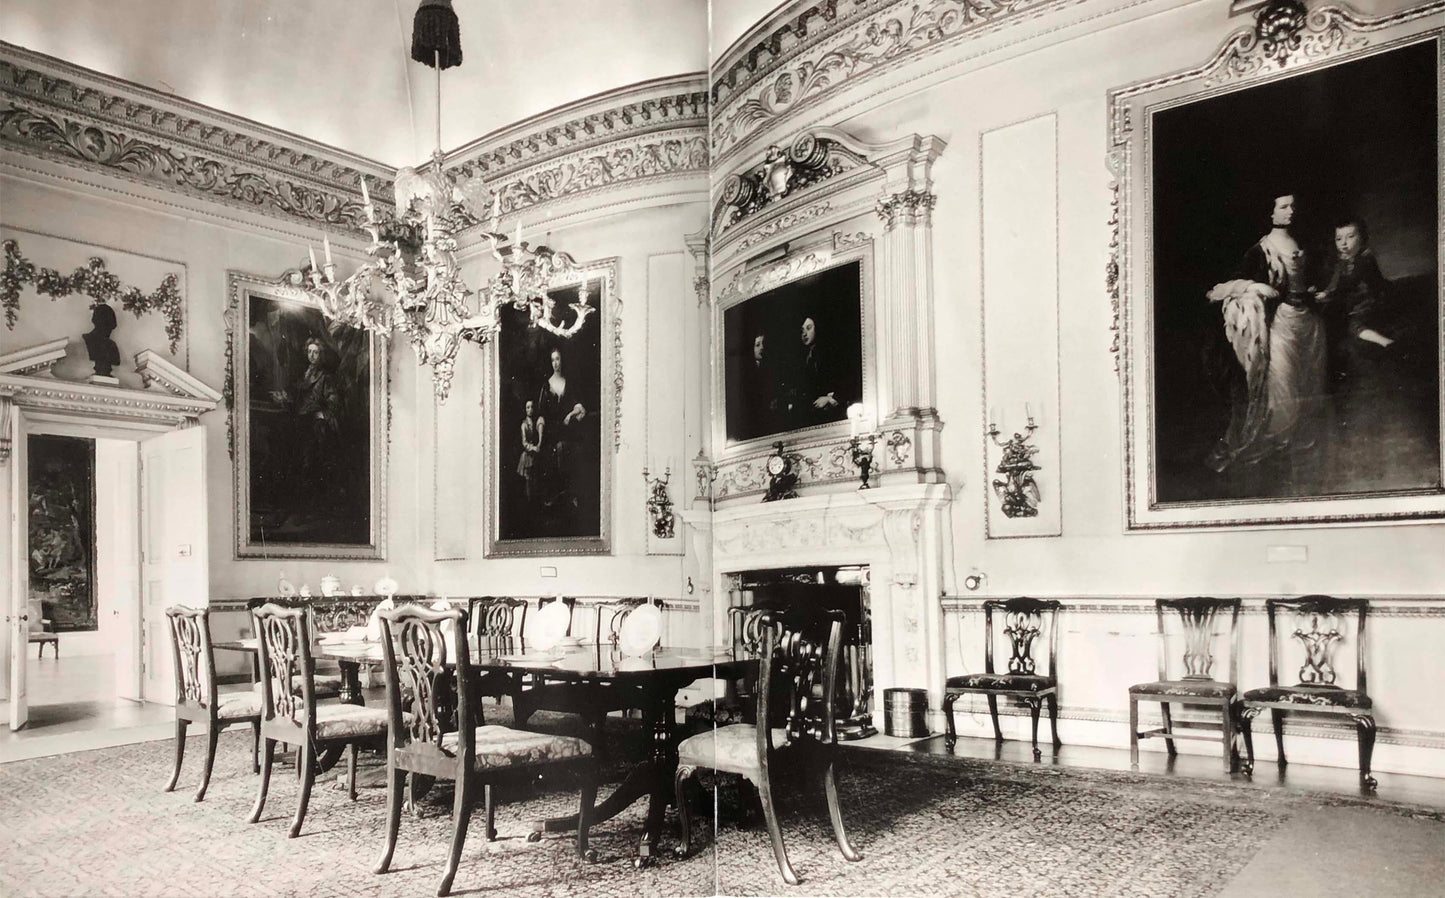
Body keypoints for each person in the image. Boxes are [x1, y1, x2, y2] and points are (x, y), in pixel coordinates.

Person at [1205, 192, 1329, 473]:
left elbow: (1309, 281)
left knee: (1308, 383)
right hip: (1281, 323)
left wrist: (1314, 291)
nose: (1290, 211)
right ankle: (1276, 443)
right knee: (1282, 385)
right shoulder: (1260, 250)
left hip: (1309, 324)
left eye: (1293, 205)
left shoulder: (1302, 243)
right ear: (1271, 213)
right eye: (1283, 206)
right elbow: (1220, 290)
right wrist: (1254, 286)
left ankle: (1297, 444)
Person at [273, 337, 342, 506]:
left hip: (315, 424)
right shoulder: (304, 374)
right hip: (301, 420)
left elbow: (334, 401)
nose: (312, 355)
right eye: (310, 352)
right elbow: (298, 398)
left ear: (321, 355)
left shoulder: (326, 377)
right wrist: (284, 398)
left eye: (316, 352)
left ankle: (310, 503)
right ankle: (293, 500)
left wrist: (322, 414)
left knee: (309, 460)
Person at [536, 347, 586, 510]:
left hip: (567, 429)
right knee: (553, 453)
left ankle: (571, 495)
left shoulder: (569, 383)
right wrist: (541, 434)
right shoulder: (546, 385)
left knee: (569, 452)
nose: (555, 363)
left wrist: (570, 415)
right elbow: (541, 412)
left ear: (562, 360)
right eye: (553, 360)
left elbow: (578, 405)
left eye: (558, 359)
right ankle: (553, 497)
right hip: (551, 431)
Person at [785, 316, 840, 428]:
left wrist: (829, 399)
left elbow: (844, 382)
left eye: (809, 328)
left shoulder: (830, 353)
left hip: (830, 415)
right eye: (802, 331)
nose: (804, 334)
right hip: (811, 415)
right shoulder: (803, 358)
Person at [741, 332, 781, 437]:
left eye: (763, 344)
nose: (762, 348)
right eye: (757, 345)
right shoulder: (746, 372)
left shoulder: (768, 368)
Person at [82, 303, 120, 378]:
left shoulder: (112, 346)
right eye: (108, 325)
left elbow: (116, 361)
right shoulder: (88, 341)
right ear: (97, 322)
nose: (110, 330)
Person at [517, 399, 543, 503]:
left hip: (534, 456)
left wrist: (538, 445)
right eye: (528, 407)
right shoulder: (524, 425)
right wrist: (533, 448)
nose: (530, 409)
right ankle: (529, 502)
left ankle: (535, 501)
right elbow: (524, 443)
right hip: (527, 456)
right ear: (525, 409)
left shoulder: (536, 422)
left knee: (535, 479)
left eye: (532, 407)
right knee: (528, 481)